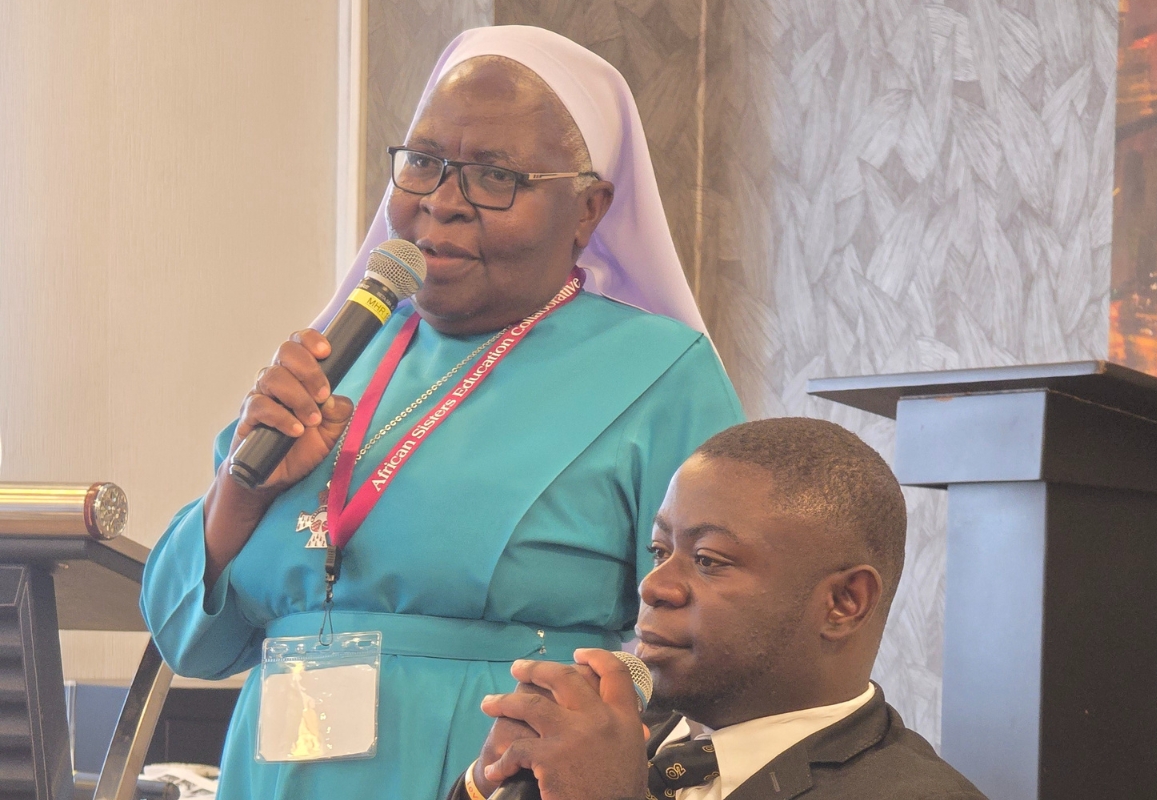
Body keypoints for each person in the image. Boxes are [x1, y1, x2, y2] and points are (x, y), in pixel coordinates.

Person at [139, 25, 744, 800]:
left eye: (495, 176)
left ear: (587, 209)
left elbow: (712, 637)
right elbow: (188, 639)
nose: (443, 203)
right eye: (424, 163)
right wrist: (243, 490)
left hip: (495, 775)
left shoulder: (659, 373)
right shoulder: (339, 354)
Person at [454, 418, 986, 800]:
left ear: (843, 603)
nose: (655, 586)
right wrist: (487, 784)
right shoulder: (614, 732)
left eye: (708, 560)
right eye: (660, 552)